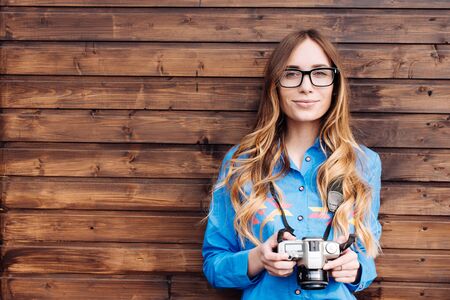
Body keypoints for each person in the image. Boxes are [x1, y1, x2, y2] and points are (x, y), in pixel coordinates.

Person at [202, 29, 382, 300]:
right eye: (291, 73)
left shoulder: (363, 163)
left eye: (320, 73)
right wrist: (258, 258)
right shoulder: (241, 162)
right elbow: (214, 266)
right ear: (275, 84)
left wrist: (355, 269)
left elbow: (367, 263)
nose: (306, 86)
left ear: (335, 86)